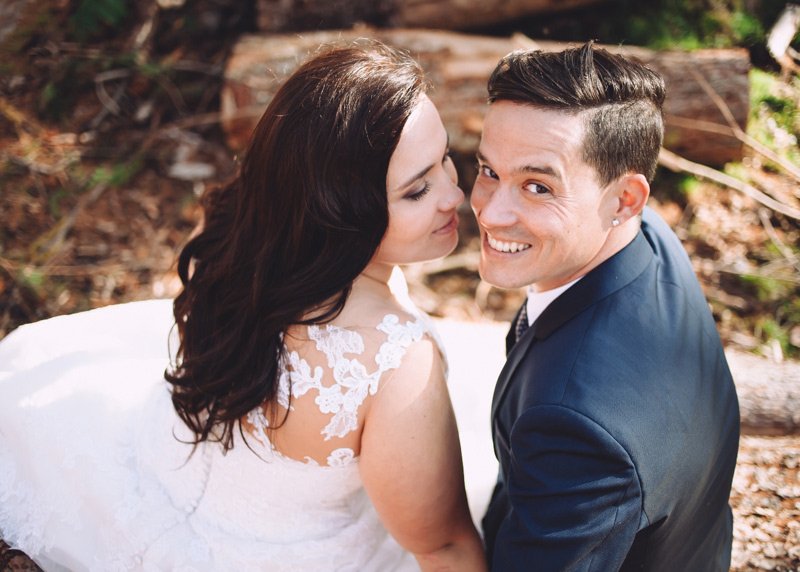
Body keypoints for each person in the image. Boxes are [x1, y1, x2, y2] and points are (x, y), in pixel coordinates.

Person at [0, 40, 487, 571]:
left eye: (445, 160)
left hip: (170, 474)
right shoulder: (396, 362)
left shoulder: (245, 237)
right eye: (417, 191)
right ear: (338, 206)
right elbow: (441, 545)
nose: (453, 196)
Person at [473, 42, 740, 571]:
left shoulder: (576, 427)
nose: (489, 212)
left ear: (624, 200)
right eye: (488, 170)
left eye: (537, 185)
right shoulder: (648, 237)